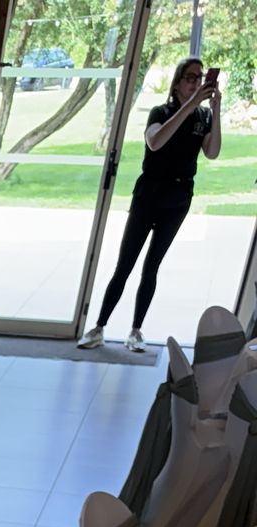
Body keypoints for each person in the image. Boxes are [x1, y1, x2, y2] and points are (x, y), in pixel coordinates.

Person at [77, 57, 220, 353]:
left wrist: (215, 112)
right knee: (125, 264)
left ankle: (135, 331)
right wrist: (189, 106)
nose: (196, 82)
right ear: (178, 82)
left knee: (151, 266)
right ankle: (99, 327)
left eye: (200, 77)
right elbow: (156, 142)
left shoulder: (202, 117)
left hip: (178, 199)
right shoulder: (161, 111)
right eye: (191, 77)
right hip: (148, 196)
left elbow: (213, 152)